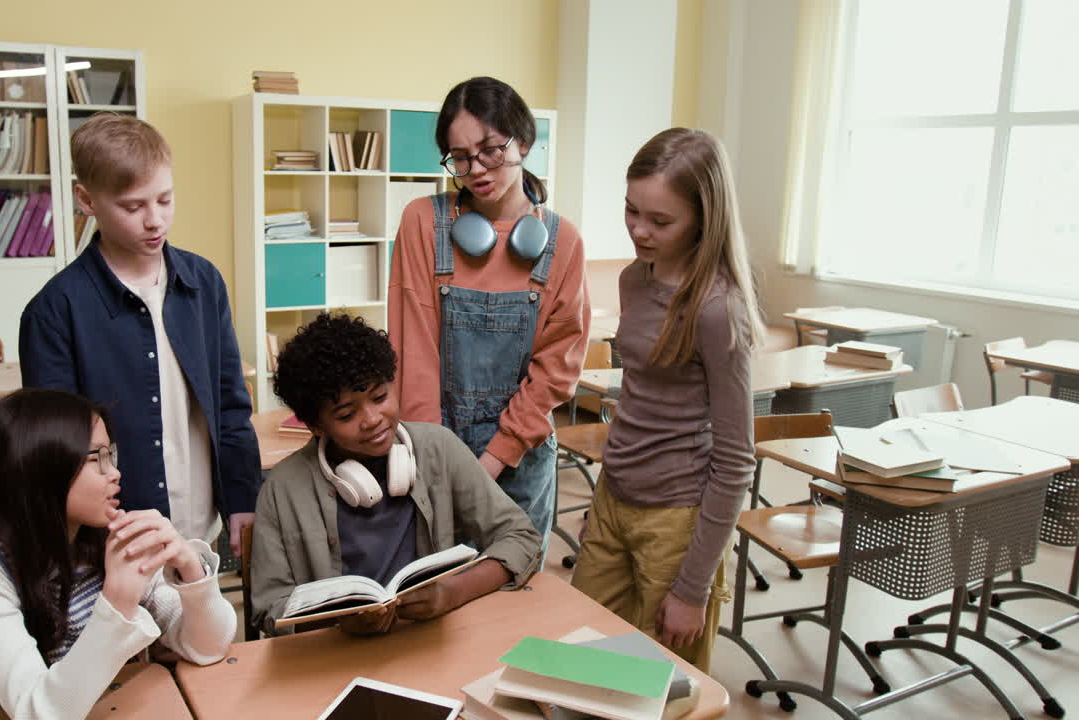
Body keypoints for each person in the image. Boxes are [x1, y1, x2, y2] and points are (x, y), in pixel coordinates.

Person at [19, 113, 261, 555]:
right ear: (87, 200)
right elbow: (58, 451)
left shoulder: (203, 282)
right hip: (116, 538)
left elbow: (230, 403)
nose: (155, 220)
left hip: (200, 522)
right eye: (133, 207)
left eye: (165, 200)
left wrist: (244, 496)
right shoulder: (53, 311)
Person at [0, 389, 235, 720]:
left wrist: (189, 568)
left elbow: (207, 647)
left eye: (110, 455)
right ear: (42, 469)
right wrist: (118, 603)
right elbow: (37, 713)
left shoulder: (103, 538)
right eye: (97, 458)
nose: (114, 473)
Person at [570, 128, 762, 672]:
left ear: (704, 218)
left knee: (659, 688)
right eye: (631, 211)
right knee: (584, 664)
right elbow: (638, 402)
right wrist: (602, 500)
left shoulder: (717, 308)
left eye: (660, 221)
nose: (638, 230)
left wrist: (694, 588)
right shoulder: (635, 279)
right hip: (615, 497)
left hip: (677, 519)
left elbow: (734, 460)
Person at [388, 76, 591, 546]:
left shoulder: (564, 243)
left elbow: (555, 373)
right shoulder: (422, 222)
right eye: (459, 157)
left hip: (522, 460)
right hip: (437, 455)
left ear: (522, 141)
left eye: (490, 150)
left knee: (515, 606)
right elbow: (412, 356)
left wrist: (493, 459)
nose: (475, 169)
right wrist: (440, 466)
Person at [250, 313, 541, 635]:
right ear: (316, 426)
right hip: (333, 655)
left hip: (430, 637)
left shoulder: (438, 449)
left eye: (380, 397)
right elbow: (269, 606)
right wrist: (335, 621)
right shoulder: (283, 488)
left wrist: (453, 593)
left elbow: (520, 537)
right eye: (347, 414)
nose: (373, 419)